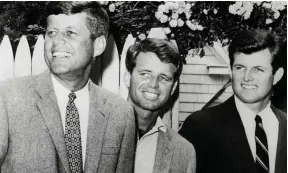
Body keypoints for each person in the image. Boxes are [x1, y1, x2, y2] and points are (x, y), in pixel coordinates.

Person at [0, 2, 136, 173]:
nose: (56, 42)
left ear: (99, 45)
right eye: (52, 33)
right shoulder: (8, 98)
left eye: (70, 33)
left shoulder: (120, 113)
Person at [179, 29, 286, 173]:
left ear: (277, 76)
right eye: (240, 68)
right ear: (231, 71)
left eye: (258, 69)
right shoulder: (199, 127)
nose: (247, 77)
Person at [124, 38, 196, 173]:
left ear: (173, 87)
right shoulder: (95, 129)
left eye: (163, 78)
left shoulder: (183, 152)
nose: (153, 84)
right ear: (127, 77)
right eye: (145, 74)